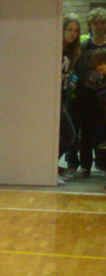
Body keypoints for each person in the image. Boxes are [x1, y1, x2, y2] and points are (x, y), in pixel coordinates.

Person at [69, 7, 106, 179]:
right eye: (95, 23)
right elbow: (76, 69)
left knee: (103, 132)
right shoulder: (83, 47)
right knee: (86, 132)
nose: (99, 26)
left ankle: (103, 165)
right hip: (87, 95)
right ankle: (85, 166)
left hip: (104, 95)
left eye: (102, 22)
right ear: (90, 25)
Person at [60, 14, 81, 184]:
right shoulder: (55, 47)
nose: (73, 33)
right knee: (69, 134)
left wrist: (73, 81)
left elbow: (70, 73)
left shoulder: (71, 50)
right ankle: (47, 168)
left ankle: (50, 168)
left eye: (76, 30)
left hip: (62, 96)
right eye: (69, 29)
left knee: (66, 134)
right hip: (51, 98)